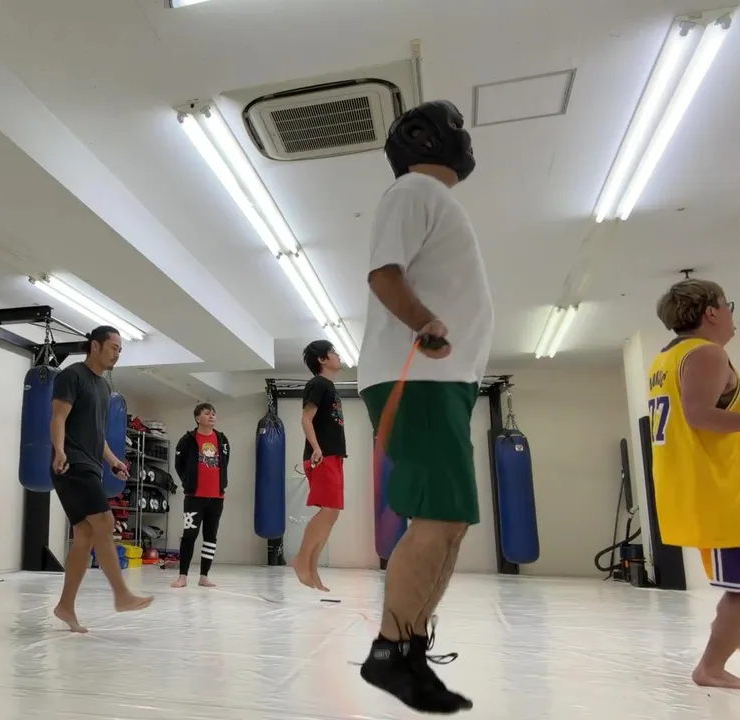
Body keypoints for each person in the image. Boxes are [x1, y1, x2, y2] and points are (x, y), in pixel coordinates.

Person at [356, 99, 493, 714]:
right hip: (420, 377)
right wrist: (424, 322)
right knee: (437, 518)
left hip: (446, 381)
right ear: (427, 138)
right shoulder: (412, 190)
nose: (467, 140)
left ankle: (409, 649)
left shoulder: (433, 199)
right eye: (458, 130)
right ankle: (390, 652)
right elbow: (384, 274)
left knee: (452, 521)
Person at [648, 279, 740, 690]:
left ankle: (736, 630)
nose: (731, 314)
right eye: (727, 304)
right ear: (711, 312)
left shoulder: (667, 359)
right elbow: (700, 416)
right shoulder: (705, 354)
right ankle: (711, 667)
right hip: (722, 491)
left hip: (717, 487)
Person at [50, 325, 153, 633]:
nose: (117, 354)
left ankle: (65, 606)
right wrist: (59, 450)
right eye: (113, 347)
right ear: (95, 346)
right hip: (72, 463)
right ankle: (121, 594)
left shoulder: (104, 388)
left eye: (120, 349)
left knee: (84, 533)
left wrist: (113, 461)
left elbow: (97, 434)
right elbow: (58, 417)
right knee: (105, 522)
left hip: (91, 464)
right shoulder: (72, 376)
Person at [290, 340, 346, 593]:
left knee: (332, 513)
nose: (338, 355)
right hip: (321, 456)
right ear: (322, 359)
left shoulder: (329, 387)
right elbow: (306, 418)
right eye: (333, 352)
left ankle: (313, 569)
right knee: (328, 510)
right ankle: (301, 559)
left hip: (334, 455)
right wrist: (316, 448)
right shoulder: (318, 384)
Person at [171, 403, 231, 588]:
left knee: (210, 537)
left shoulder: (222, 439)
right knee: (189, 535)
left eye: (214, 413)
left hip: (216, 498)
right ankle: (182, 576)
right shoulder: (187, 440)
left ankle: (204, 576)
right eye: (207, 413)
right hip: (194, 498)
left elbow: (225, 462)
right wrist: (188, 482)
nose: (212, 416)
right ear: (198, 418)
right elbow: (179, 464)